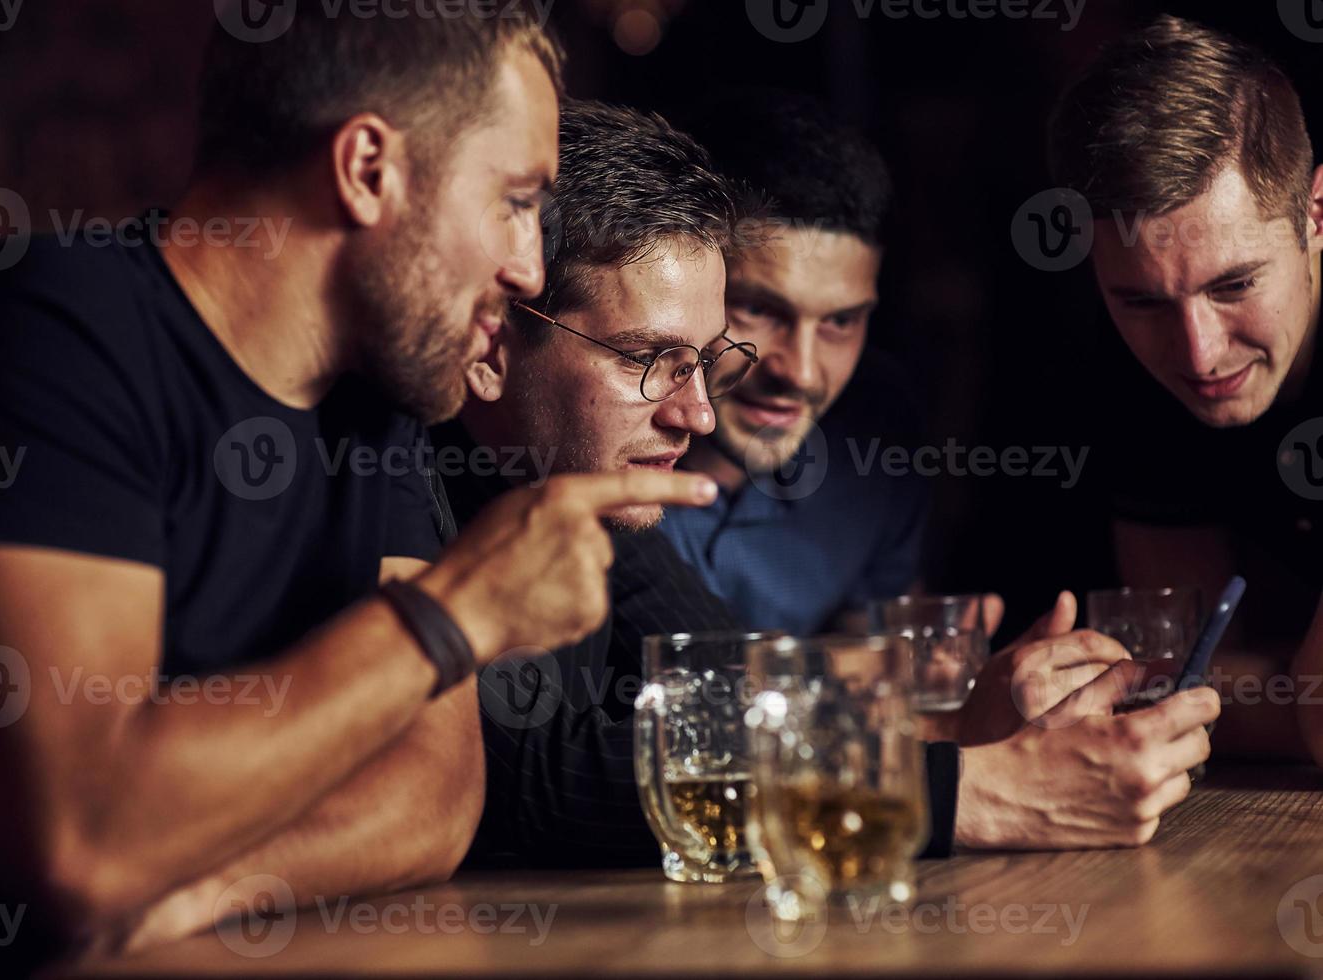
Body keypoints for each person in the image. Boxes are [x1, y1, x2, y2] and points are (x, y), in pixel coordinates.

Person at [0, 7, 720, 966]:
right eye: (516, 200)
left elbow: (435, 796)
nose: (526, 265)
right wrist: (454, 615)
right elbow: (89, 846)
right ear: (366, 170)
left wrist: (209, 883)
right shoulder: (51, 339)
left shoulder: (372, 402)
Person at [442, 99, 1220, 869]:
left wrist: (956, 732)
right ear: (491, 340)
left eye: (703, 361)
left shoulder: (581, 491)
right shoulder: (401, 465)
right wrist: (971, 791)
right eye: (648, 360)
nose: (701, 415)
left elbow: (743, 688)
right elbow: (531, 778)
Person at [1047, 14, 1323, 761]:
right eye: (1139, 300)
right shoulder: (1129, 368)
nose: (1197, 354)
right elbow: (1182, 682)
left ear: (1315, 216)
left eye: (1235, 284)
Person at [659, 89, 927, 635]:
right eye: (758, 309)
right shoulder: (585, 433)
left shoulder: (881, 427)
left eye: (840, 322)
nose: (800, 373)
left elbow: (878, 653)